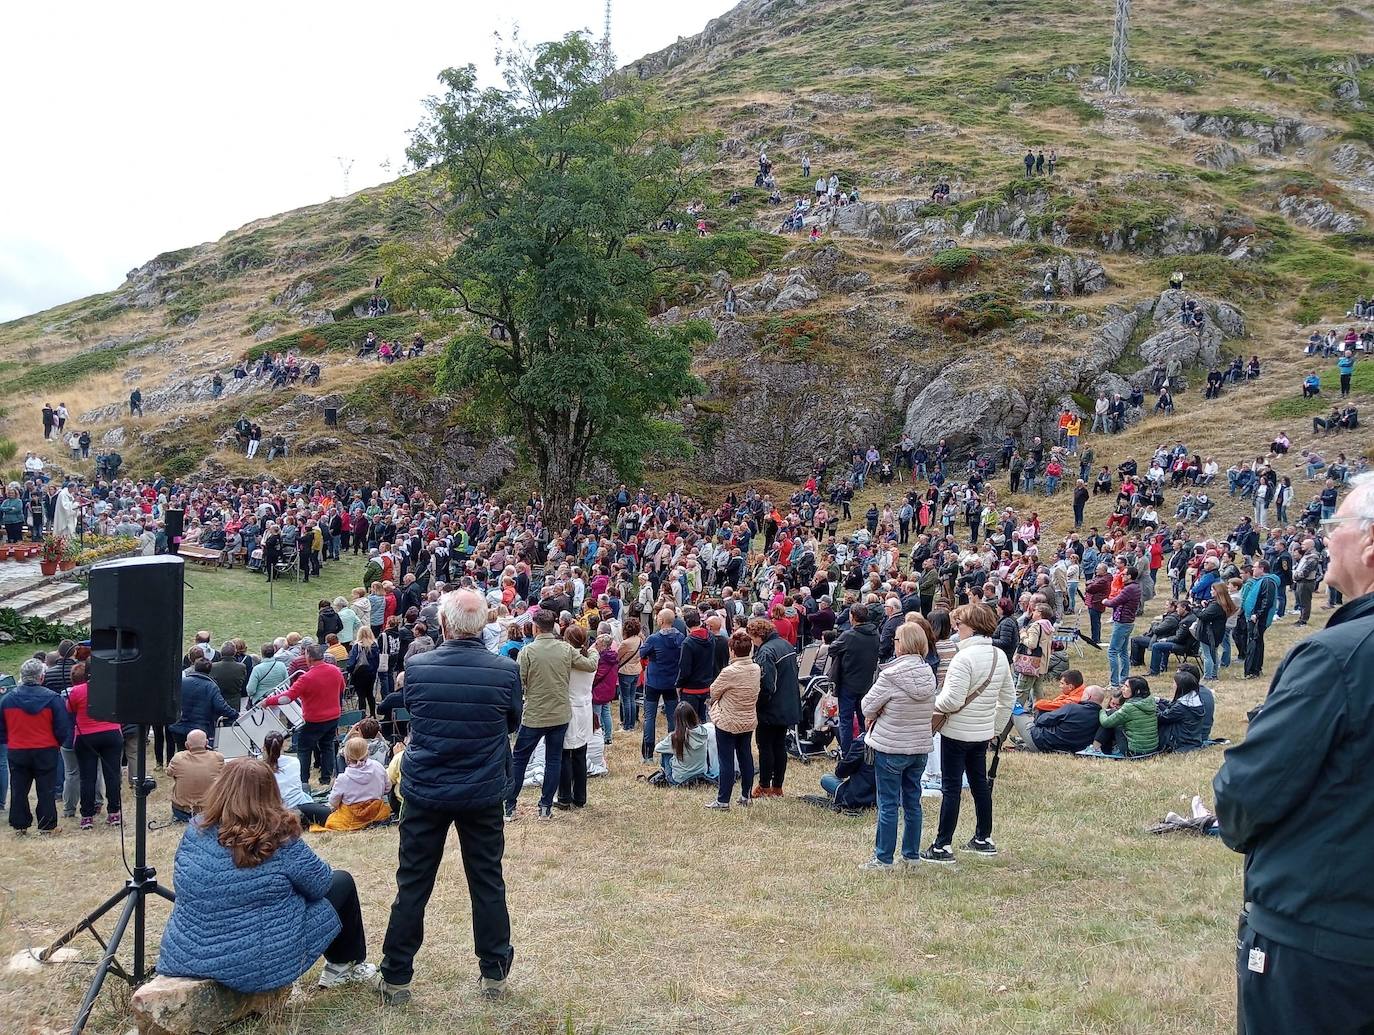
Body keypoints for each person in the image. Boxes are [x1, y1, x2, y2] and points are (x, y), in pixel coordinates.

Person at [1214, 471, 1374, 1034]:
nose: (1325, 536)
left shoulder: (1339, 658)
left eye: (1334, 525)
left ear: (1371, 542)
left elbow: (1246, 793)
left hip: (1321, 941)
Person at [376, 589, 521, 1005]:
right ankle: (493, 973)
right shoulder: (503, 671)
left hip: (428, 790)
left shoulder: (418, 668)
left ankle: (396, 975)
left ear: (445, 625)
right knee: (487, 881)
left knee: (414, 883)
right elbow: (510, 721)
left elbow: (417, 715)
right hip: (480, 790)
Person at [156, 759, 376, 992]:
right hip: (255, 961)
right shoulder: (279, 836)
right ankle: (343, 967)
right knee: (341, 881)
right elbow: (321, 884)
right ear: (270, 791)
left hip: (186, 953)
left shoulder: (195, 829)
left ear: (221, 788)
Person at [921, 604, 1014, 863]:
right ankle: (983, 837)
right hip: (981, 732)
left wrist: (930, 704)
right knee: (980, 785)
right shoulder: (999, 655)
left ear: (971, 627)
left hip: (957, 730)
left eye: (959, 625)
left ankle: (942, 845)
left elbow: (951, 700)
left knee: (951, 789)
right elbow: (1008, 699)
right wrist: (994, 729)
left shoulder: (964, 657)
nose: (955, 629)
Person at [858, 623, 936, 870]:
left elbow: (867, 706)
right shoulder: (928, 673)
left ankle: (883, 858)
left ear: (902, 643)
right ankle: (911, 855)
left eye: (896, 639)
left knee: (889, 804)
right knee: (913, 802)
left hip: (891, 747)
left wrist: (881, 709)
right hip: (919, 747)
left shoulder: (891, 675)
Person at [508, 608, 595, 820]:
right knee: (553, 759)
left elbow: (519, 683)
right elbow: (590, 665)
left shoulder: (527, 652)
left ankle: (509, 806)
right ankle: (545, 807)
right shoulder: (565, 649)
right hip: (560, 713)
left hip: (535, 714)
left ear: (535, 627)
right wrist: (594, 649)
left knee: (519, 759)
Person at [2, 658, 71, 833]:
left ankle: (20, 825)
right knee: (46, 789)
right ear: (41, 677)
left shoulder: (8, 700)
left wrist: (9, 742)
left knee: (18, 789)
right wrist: (56, 744)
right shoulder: (53, 699)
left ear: (22, 676)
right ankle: (46, 826)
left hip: (18, 750)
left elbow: (1, 728)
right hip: (45, 749)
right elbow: (63, 728)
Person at [263, 644, 343, 790]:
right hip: (333, 716)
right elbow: (341, 688)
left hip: (314, 720)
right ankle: (326, 778)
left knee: (304, 749)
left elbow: (287, 698)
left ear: (309, 657)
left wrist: (268, 701)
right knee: (327, 746)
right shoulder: (336, 671)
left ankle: (303, 780)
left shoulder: (307, 678)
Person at [705, 629, 760, 810]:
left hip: (727, 720)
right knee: (746, 756)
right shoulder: (756, 668)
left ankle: (723, 800)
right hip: (748, 718)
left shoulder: (729, 671)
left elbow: (713, 691)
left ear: (732, 651)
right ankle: (746, 795)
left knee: (726, 760)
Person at [66, 662, 124, 829]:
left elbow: (69, 709)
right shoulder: (112, 687)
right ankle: (114, 813)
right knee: (112, 775)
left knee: (87, 778)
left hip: (86, 735)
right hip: (111, 733)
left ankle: (87, 816)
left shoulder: (77, 691)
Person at [750, 616, 800, 797]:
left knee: (765, 746)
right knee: (779, 745)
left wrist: (758, 704)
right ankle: (777, 786)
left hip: (772, 705)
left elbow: (767, 684)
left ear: (758, 635)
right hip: (788, 703)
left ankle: (764, 785)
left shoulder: (765, 652)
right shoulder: (785, 645)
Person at [828, 602, 880, 754]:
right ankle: (865, 748)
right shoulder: (875, 634)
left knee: (846, 720)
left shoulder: (849, 635)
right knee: (864, 717)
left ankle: (847, 751)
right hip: (866, 683)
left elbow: (832, 649)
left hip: (849, 684)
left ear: (853, 616)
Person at [556, 625, 595, 811]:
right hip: (585, 707)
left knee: (564, 754)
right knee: (580, 754)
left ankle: (564, 797)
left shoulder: (569, 659)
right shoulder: (590, 657)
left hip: (570, 708)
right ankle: (579, 797)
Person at [639, 608, 685, 762]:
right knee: (673, 718)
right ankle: (673, 750)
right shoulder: (680, 637)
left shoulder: (654, 638)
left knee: (650, 717)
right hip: (672, 681)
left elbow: (642, 653)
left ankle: (648, 754)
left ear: (661, 620)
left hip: (654, 681)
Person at [318, 736, 391, 830]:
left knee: (330, 822)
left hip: (352, 817)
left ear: (347, 757)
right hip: (377, 813)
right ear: (367, 753)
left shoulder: (343, 778)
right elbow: (387, 788)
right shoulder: (378, 766)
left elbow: (333, 802)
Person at [171, 656, 238, 754]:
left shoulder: (182, 682)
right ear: (210, 670)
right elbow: (221, 706)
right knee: (199, 757)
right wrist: (235, 714)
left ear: (194, 667)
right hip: (200, 729)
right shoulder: (211, 686)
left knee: (182, 755)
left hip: (179, 726)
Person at [263, 730, 331, 827]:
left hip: (273, 809)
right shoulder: (294, 761)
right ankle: (298, 817)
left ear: (264, 747)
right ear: (282, 746)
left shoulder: (260, 767)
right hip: (296, 806)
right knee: (324, 810)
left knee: (305, 786)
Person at [1012, 686, 1105, 753]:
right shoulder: (1102, 718)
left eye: (1083, 695)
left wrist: (1034, 718)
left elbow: (1042, 720)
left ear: (1088, 697)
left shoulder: (1072, 708)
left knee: (1012, 704)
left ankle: (998, 741)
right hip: (1063, 750)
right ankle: (1022, 743)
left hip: (1039, 740)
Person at [165, 729, 225, 823]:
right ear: (206, 743)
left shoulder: (178, 758)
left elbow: (169, 773)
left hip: (182, 812)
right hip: (209, 812)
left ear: (186, 745)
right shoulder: (218, 758)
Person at [1095, 676, 1159, 756]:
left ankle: (1095, 748)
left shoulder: (1129, 707)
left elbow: (1106, 723)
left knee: (1111, 714)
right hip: (1152, 749)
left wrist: (1102, 711)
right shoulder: (1150, 701)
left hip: (1134, 752)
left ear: (1137, 691)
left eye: (1126, 686)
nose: (1122, 689)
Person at [654, 702, 710, 786]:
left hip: (680, 779)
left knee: (666, 752)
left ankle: (667, 774)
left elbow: (657, 748)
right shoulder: (703, 732)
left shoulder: (675, 737)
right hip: (701, 774)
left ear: (677, 719)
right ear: (693, 715)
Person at [1155, 670, 1212, 752]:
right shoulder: (1195, 700)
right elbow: (1173, 706)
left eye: (1174, 683)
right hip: (1192, 740)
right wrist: (1160, 700)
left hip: (1180, 743)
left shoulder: (1181, 707)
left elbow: (1160, 717)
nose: (1173, 685)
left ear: (1180, 687)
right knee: (1161, 705)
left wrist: (1151, 706)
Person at [1104, 567, 1142, 688]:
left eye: (1124, 574)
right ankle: (1123, 679)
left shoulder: (1129, 589)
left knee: (1112, 651)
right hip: (1129, 622)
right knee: (1123, 651)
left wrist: (1105, 601)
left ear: (1130, 576)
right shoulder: (1135, 587)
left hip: (1122, 622)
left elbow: (1115, 602)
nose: (1122, 576)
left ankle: (1114, 683)